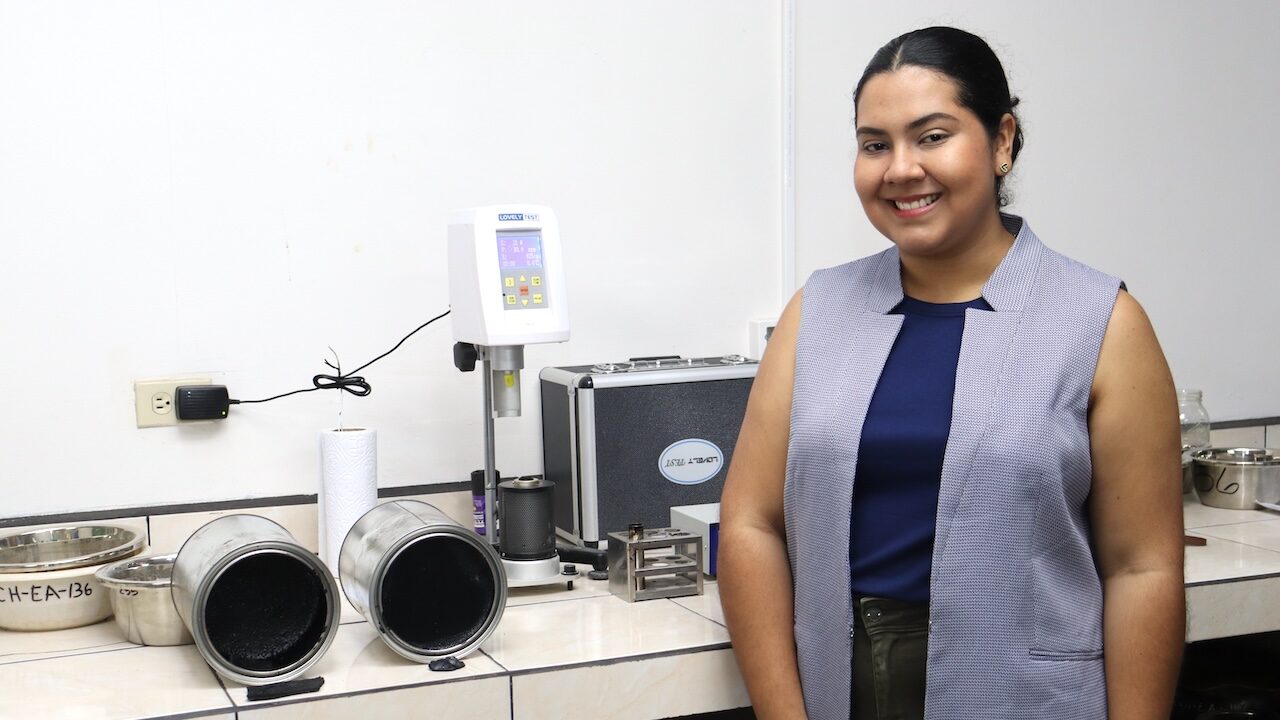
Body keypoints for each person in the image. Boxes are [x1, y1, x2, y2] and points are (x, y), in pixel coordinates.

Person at [718, 26, 1184, 720]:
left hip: (1025, 697)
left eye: (932, 136)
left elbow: (1141, 569)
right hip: (840, 687)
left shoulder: (1102, 322)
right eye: (876, 144)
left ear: (1001, 142)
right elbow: (751, 523)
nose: (900, 168)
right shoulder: (816, 312)